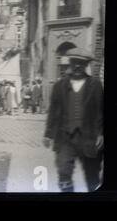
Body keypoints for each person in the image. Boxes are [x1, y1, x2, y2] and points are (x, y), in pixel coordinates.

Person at [43, 48, 103, 192]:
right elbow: (53, 111)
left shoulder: (95, 85)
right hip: (64, 137)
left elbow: (101, 111)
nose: (77, 66)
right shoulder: (59, 86)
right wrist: (48, 133)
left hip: (89, 137)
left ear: (86, 65)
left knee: (92, 175)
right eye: (74, 62)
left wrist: (101, 133)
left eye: (81, 63)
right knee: (63, 172)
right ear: (69, 63)